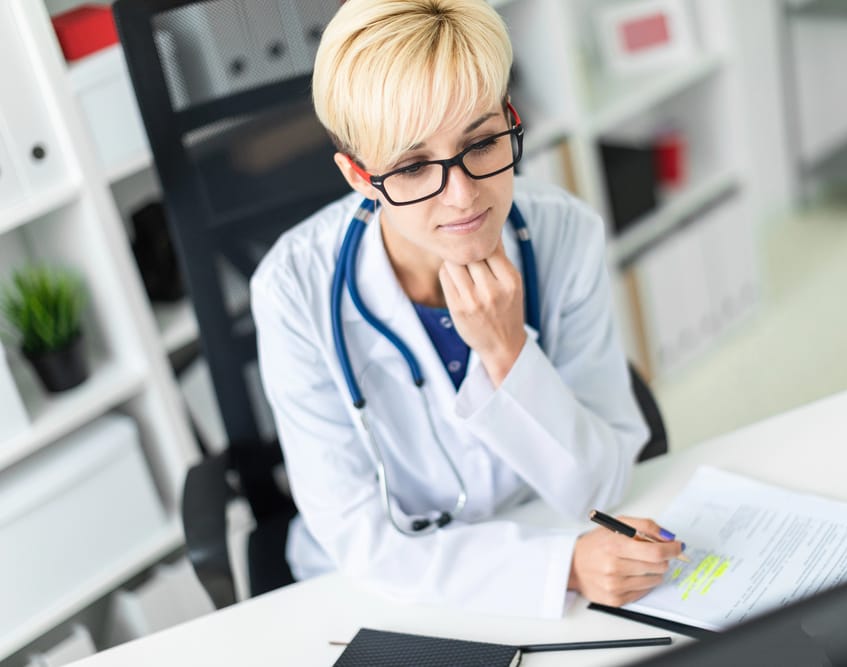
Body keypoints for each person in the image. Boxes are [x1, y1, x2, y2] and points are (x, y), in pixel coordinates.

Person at [250, 0, 684, 618]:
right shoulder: (292, 290)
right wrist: (562, 569)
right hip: (383, 595)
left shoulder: (566, 235)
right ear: (357, 174)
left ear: (511, 118)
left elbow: (603, 489)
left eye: (481, 143)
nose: (463, 195)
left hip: (549, 531)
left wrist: (508, 351)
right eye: (411, 165)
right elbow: (360, 540)